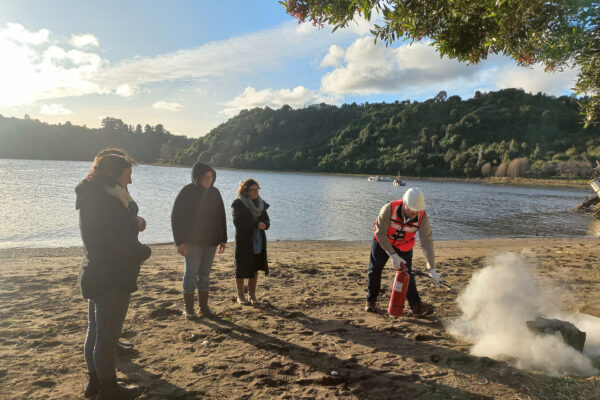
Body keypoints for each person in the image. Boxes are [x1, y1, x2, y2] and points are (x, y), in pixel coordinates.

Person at [76, 153, 151, 399]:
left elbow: (109, 234)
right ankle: (108, 389)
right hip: (112, 275)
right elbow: (117, 242)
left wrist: (132, 222)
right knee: (106, 339)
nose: (130, 181)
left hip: (95, 271)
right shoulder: (107, 202)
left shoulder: (94, 196)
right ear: (111, 174)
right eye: (127, 176)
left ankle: (95, 383)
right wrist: (144, 251)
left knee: (95, 331)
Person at [365, 188, 440, 317]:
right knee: (375, 270)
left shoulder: (422, 216)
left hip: (404, 245)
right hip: (383, 242)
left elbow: (426, 241)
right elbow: (380, 233)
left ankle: (417, 307)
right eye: (411, 208)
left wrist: (431, 267)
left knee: (407, 275)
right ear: (404, 203)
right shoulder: (389, 208)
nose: (414, 212)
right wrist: (392, 254)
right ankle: (371, 302)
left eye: (417, 209)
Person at [171, 162, 227, 319]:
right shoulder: (187, 191)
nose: (208, 180)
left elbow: (221, 216)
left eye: (211, 177)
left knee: (205, 274)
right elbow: (176, 217)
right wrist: (179, 242)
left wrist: (223, 238)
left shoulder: (215, 192)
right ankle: (188, 308)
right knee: (191, 273)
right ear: (197, 177)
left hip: (211, 241)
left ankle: (204, 307)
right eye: (205, 177)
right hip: (191, 242)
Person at [232, 179, 270, 305]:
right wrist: (256, 224)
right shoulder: (238, 203)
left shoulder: (261, 204)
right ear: (246, 191)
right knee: (241, 267)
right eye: (253, 190)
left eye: (257, 189)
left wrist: (265, 224)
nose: (256, 192)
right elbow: (238, 222)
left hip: (258, 240)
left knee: (255, 268)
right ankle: (240, 296)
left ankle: (252, 295)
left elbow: (267, 220)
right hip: (243, 240)